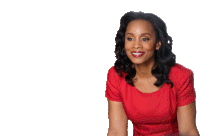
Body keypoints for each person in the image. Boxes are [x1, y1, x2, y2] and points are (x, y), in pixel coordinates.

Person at [105, 11, 199, 136]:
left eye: (145, 39)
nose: (136, 45)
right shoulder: (116, 75)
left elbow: (187, 132)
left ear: (158, 43)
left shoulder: (181, 76)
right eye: (130, 38)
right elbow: (116, 132)